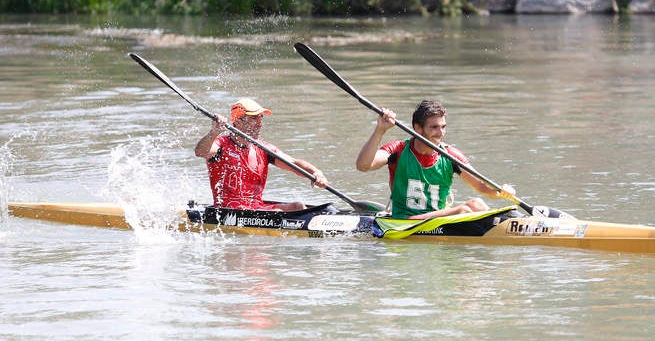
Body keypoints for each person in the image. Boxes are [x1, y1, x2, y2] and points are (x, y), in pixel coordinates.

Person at [356, 99, 516, 219]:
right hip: (406, 221)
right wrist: (380, 130)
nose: (440, 133)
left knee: (478, 204)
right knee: (464, 210)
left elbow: (481, 187)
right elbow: (363, 166)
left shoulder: (451, 155)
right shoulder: (398, 149)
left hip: (438, 219)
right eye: (434, 127)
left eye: (443, 127)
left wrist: (501, 191)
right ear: (417, 128)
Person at [194, 98, 328, 211]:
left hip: (257, 208)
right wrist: (214, 132)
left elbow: (292, 163)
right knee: (278, 212)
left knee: (297, 207)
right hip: (228, 210)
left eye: (260, 118)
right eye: (254, 119)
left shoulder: (263, 149)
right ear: (238, 122)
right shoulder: (220, 145)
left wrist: (316, 172)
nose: (260, 124)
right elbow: (200, 152)